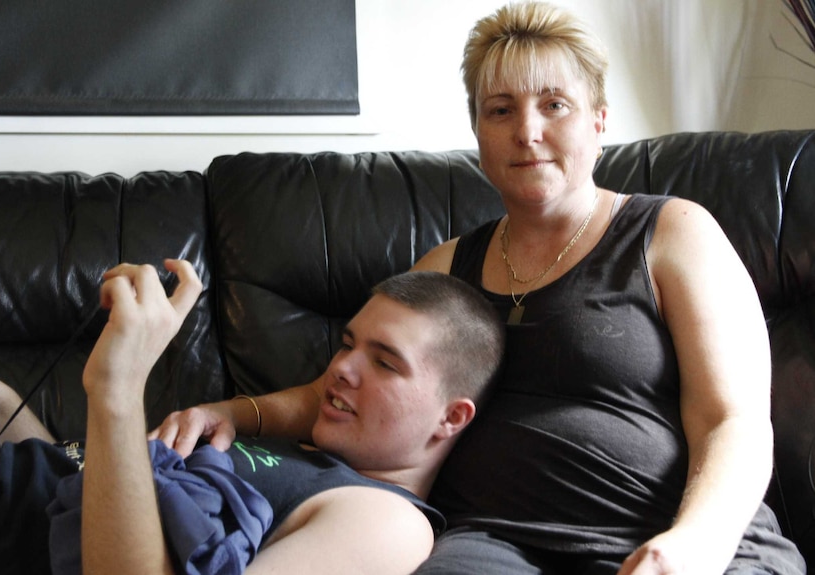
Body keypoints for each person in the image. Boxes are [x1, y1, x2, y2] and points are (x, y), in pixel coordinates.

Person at [150, 2, 806, 574]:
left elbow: (736, 421)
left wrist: (693, 545)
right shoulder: (445, 267)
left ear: (599, 121)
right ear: (479, 133)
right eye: (501, 110)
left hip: (670, 538)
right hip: (496, 543)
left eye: (555, 105)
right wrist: (235, 411)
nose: (527, 130)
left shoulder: (671, 233)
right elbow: (349, 387)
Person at [0, 261, 504, 575]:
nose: (341, 369)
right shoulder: (312, 458)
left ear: (450, 418)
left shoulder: (390, 524)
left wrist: (117, 390)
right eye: (347, 344)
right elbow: (72, 489)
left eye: (385, 362)